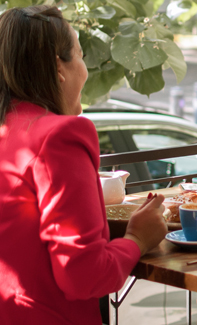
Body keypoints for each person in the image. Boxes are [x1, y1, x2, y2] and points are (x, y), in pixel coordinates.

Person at [0, 5, 168, 324]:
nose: (85, 70)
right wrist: (138, 239)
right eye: (80, 56)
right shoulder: (59, 135)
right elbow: (83, 276)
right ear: (58, 67)